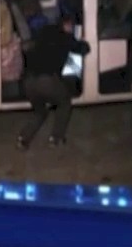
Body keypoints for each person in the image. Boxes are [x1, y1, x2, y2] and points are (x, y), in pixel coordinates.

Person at [16, 12, 91, 149]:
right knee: (64, 103)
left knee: (40, 112)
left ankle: (23, 139)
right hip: (46, 81)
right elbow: (84, 48)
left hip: (28, 82)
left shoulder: (43, 32)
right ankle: (56, 138)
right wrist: (79, 40)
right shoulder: (66, 37)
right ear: (67, 25)